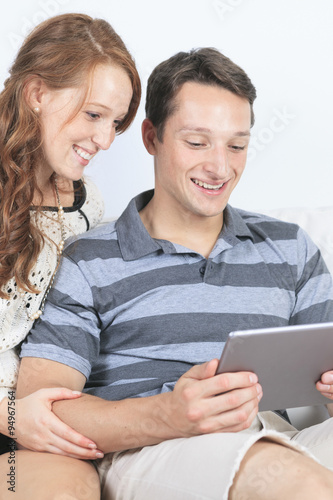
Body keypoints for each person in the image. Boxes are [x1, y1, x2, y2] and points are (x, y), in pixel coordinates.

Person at [9, 48, 333, 499]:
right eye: (197, 143)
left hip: (283, 433)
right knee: (287, 478)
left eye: (237, 145)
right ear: (151, 136)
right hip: (159, 448)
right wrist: (169, 414)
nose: (221, 167)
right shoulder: (88, 259)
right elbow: (44, 410)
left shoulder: (290, 247)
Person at [0, 9, 140, 479]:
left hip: (41, 421)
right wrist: (13, 417)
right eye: (94, 114)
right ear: (37, 93)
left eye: (116, 122)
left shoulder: (86, 205)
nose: (104, 139)